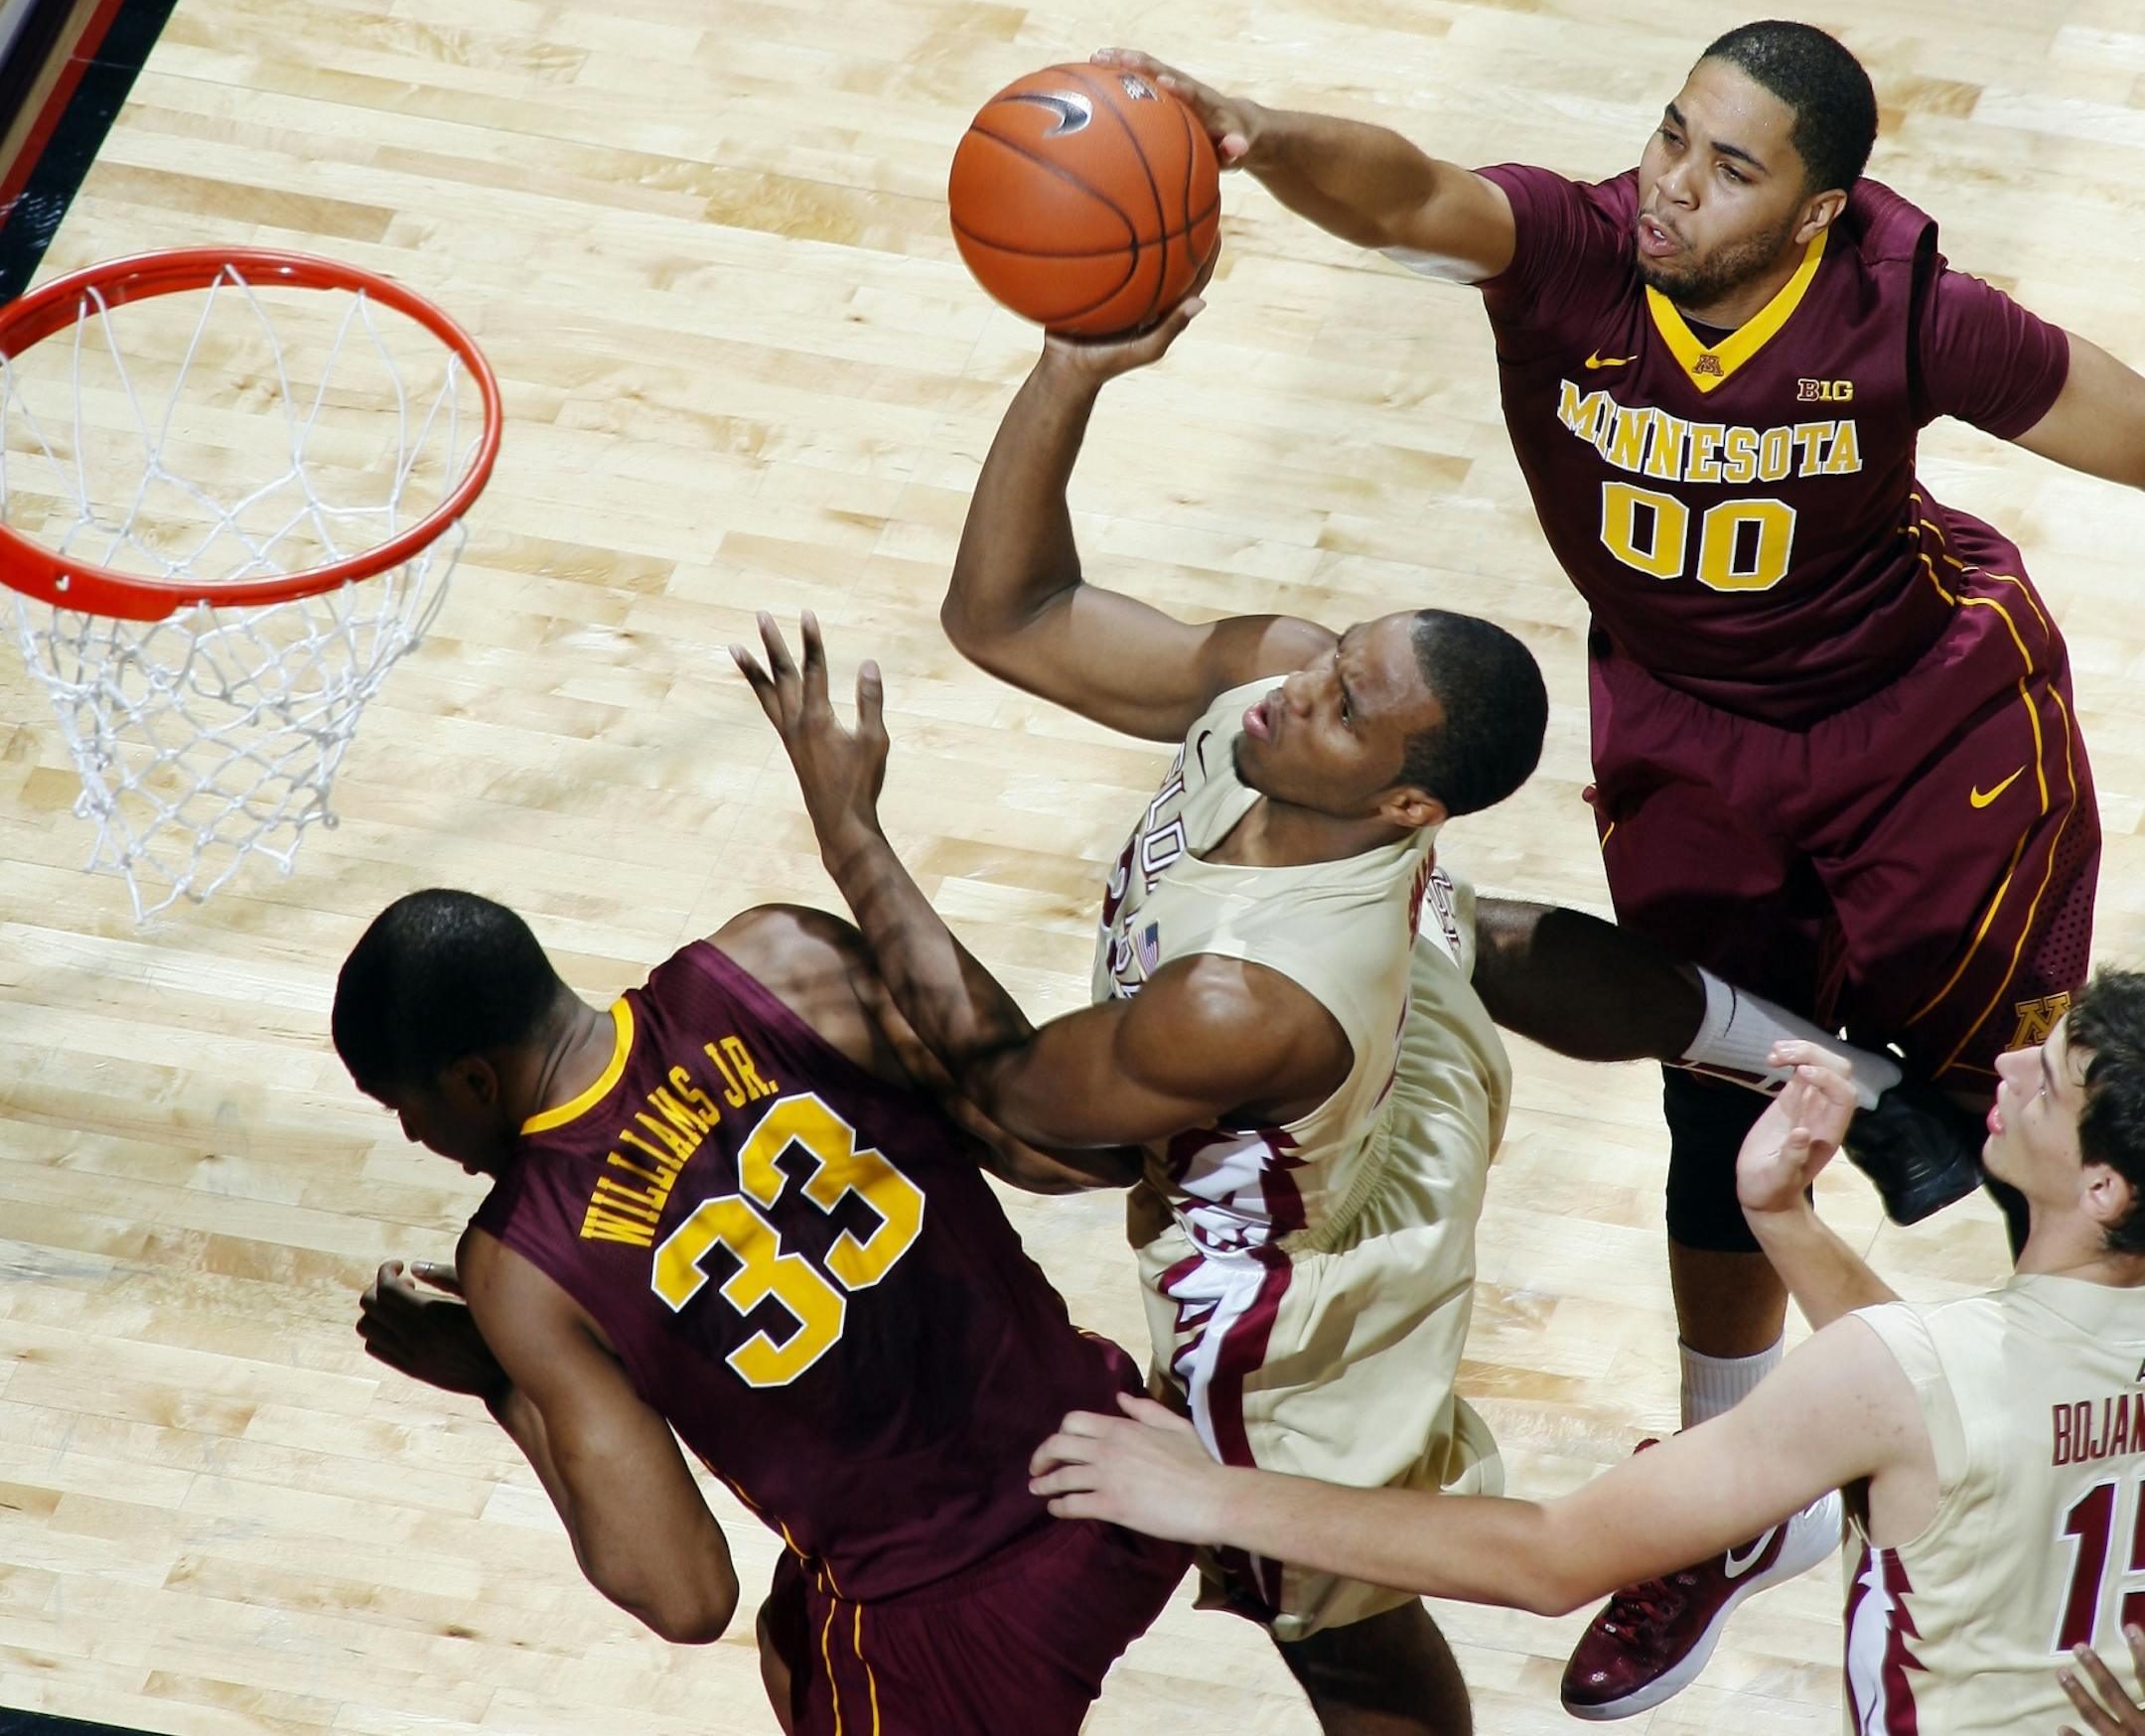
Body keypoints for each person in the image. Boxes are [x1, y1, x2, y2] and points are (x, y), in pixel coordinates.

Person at [1091, 18, 2145, 1708]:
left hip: (1925, 738)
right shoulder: (1577, 256)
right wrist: (1254, 127)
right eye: (1671, 139)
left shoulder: (1905, 307)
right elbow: (1412, 195)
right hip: (1691, 742)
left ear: (1817, 212)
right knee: (1715, 1100)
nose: (1674, 188)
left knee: (2063, 1133)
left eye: (1732, 170)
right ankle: (1728, 1507)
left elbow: (2131, 423)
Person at [730, 304, 1969, 1728]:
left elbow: (1020, 1100)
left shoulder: (1237, 1002)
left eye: (1338, 706)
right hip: (1395, 1029)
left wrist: (851, 832)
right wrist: (1072, 370)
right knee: (1469, 930)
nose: (1289, 692)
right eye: (1331, 665)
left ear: (1403, 800)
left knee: (1325, 1602)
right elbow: (1007, 616)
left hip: (1283, 1274)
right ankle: (1819, 1059)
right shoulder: (1295, 709)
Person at [1033, 971, 2145, 1734]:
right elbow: (1953, 1393)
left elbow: (1552, 1558)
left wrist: (1212, 1496)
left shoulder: (1901, 1377)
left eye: (2043, 1080)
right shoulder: (1970, 1367)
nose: (2002, 1065)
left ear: (2103, 1185)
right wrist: (1787, 1220)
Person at [336, 891, 1189, 1736]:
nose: (414, 1136)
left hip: (948, 1625)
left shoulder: (520, 1266)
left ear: (474, 1080)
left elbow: (686, 1595)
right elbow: (1039, 1145)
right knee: (795, 1640)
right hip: (1130, 1447)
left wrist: (503, 1381)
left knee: (815, 1646)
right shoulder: (779, 958)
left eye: (406, 1108)